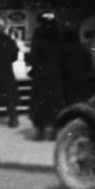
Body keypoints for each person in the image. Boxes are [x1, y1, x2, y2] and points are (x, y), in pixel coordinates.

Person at [25, 12, 64, 140]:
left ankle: (41, 127)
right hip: (55, 73)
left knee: (40, 101)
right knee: (54, 101)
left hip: (41, 74)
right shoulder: (57, 35)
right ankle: (52, 126)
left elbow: (33, 56)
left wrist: (32, 67)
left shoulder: (38, 35)